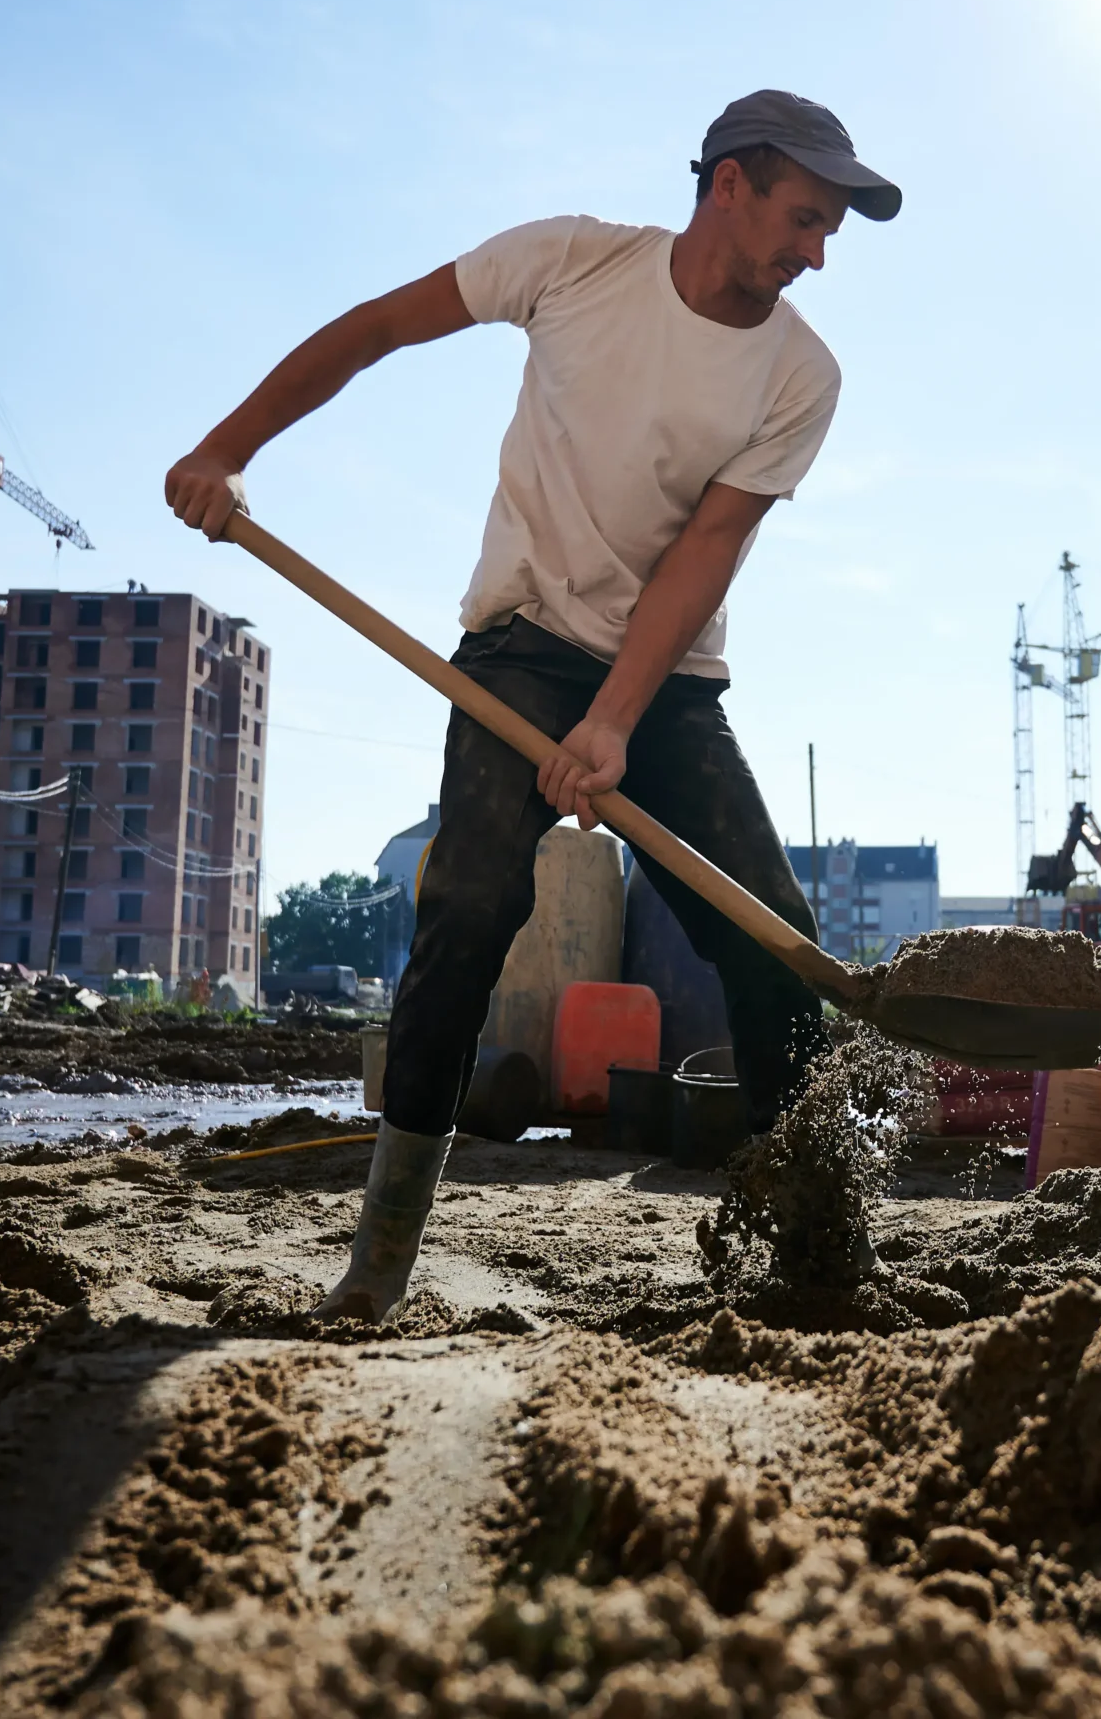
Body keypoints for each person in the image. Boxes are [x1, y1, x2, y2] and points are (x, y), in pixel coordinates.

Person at [166, 90, 902, 1321]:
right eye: (804, 216)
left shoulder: (801, 374)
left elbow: (704, 554)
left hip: (665, 681)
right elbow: (371, 330)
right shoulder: (569, 262)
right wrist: (227, 448)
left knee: (772, 941)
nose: (815, 253)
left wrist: (614, 720)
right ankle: (384, 1256)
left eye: (829, 231)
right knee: (468, 904)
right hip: (516, 645)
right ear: (728, 183)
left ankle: (819, 1260)